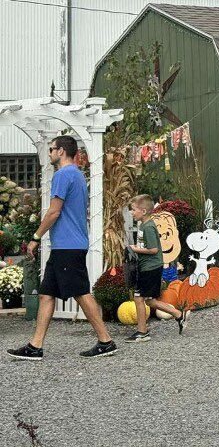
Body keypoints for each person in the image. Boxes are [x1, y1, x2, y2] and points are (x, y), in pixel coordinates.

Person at [7, 136, 117, 360]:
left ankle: (106, 341)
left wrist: (35, 237)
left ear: (61, 151)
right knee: (46, 294)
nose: (49, 153)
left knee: (81, 293)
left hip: (68, 246)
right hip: (66, 246)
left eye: (51, 149)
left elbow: (54, 212)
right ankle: (35, 346)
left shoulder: (63, 175)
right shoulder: (77, 174)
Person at [125, 195, 189, 343]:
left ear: (143, 211)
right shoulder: (144, 225)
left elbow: (153, 249)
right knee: (150, 301)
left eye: (133, 210)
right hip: (148, 267)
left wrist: (135, 249)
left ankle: (142, 332)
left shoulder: (148, 227)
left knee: (138, 298)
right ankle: (179, 315)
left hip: (150, 268)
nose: (132, 213)